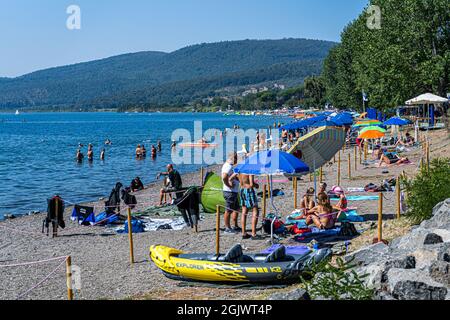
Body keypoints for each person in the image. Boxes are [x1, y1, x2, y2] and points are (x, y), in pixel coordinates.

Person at [222, 152, 241, 234]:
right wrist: (228, 184)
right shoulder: (228, 166)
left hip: (233, 191)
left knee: (236, 209)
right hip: (229, 192)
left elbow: (230, 176)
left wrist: (236, 179)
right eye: (236, 158)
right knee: (228, 210)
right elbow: (224, 177)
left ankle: (235, 226)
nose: (237, 160)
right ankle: (227, 228)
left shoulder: (230, 166)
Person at [238, 173, 261, 240]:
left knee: (244, 212)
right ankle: (253, 234)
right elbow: (251, 184)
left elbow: (234, 178)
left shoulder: (240, 170)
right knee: (255, 210)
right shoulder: (249, 170)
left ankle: (243, 233)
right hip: (248, 190)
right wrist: (256, 185)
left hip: (242, 189)